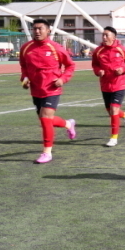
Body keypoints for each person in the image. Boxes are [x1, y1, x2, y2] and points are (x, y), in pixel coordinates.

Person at [19, 19, 77, 164]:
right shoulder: (26, 48)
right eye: (35, 29)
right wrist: (24, 79)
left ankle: (47, 153)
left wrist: (63, 79)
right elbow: (24, 66)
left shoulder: (56, 48)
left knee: (45, 118)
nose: (37, 31)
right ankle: (68, 124)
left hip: (52, 89)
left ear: (48, 30)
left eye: (40, 28)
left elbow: (70, 66)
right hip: (36, 89)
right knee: (45, 120)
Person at [91, 26, 125, 147]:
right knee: (110, 111)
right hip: (105, 85)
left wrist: (123, 69)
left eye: (107, 35)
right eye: (103, 35)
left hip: (119, 84)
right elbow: (95, 65)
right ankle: (124, 115)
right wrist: (98, 71)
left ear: (114, 37)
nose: (104, 37)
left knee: (114, 110)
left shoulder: (122, 49)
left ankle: (113, 138)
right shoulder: (98, 51)